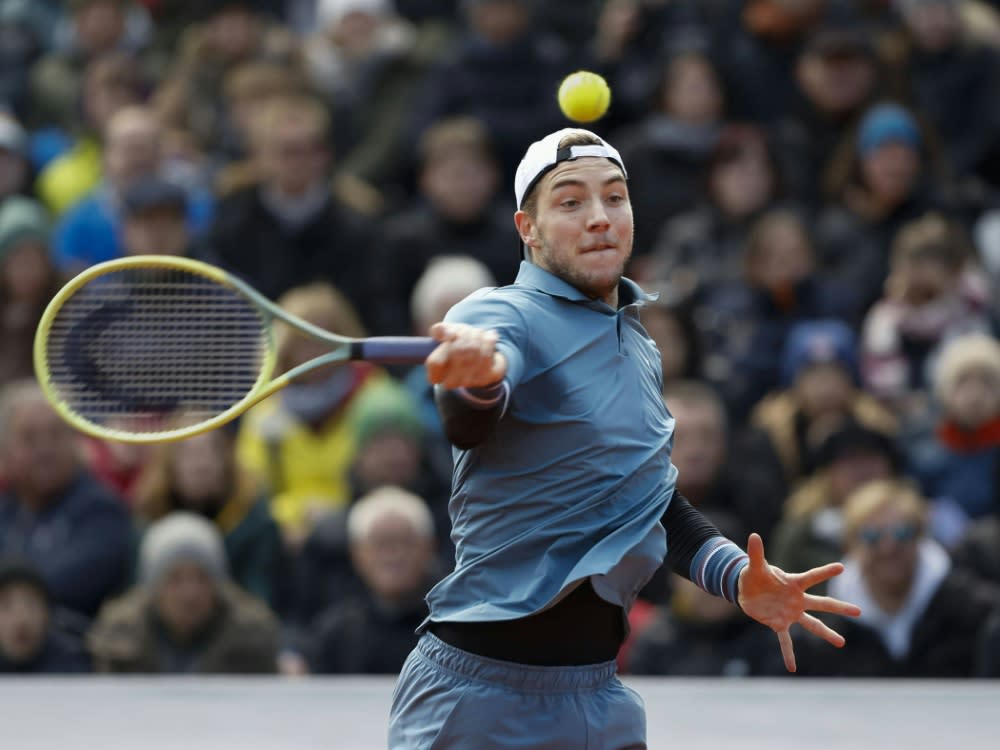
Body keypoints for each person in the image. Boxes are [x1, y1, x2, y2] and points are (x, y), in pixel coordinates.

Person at [389, 127, 861, 749]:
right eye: (570, 202)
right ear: (527, 229)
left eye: (614, 198)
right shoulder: (497, 314)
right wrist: (475, 381)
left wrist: (736, 576)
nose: (599, 218)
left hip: (599, 700)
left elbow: (648, 502)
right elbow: (470, 418)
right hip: (479, 702)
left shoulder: (639, 345)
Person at [88, 512, 279, 674]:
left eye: (201, 578)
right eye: (175, 579)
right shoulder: (116, 642)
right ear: (153, 588)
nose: (190, 593)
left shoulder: (253, 641)